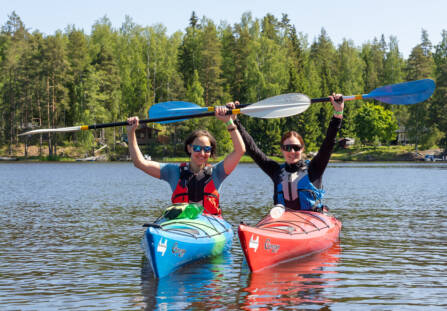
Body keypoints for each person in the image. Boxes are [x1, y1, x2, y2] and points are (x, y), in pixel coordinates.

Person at [126, 102, 245, 216]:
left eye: (207, 149)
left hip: (209, 227)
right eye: (197, 148)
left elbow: (240, 151)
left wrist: (229, 121)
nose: (202, 153)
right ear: (189, 148)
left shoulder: (218, 172)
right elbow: (140, 162)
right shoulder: (173, 172)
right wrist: (131, 133)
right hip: (182, 226)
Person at [233, 94, 344, 212]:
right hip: (283, 222)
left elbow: (328, 143)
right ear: (282, 149)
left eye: (296, 147)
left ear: (302, 149)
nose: (292, 151)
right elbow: (252, 149)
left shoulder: (314, 169)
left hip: (311, 222)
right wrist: (234, 120)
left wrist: (338, 113)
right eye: (287, 147)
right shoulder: (276, 171)